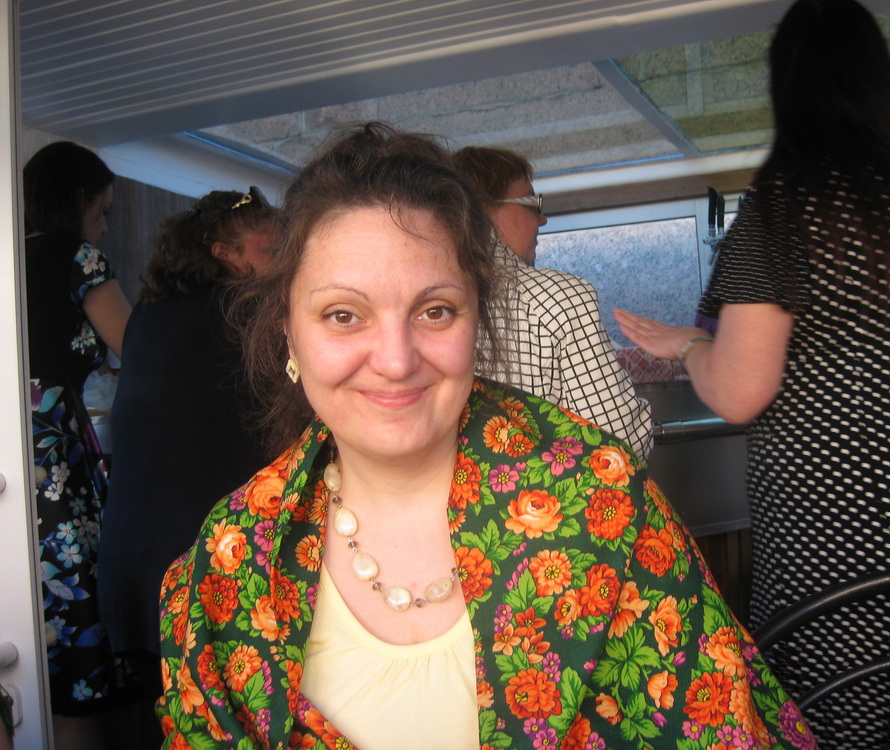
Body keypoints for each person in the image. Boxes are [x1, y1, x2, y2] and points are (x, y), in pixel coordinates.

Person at [154, 122, 814, 749]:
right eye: (343, 315)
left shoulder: (606, 504)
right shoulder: (228, 562)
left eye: (435, 310)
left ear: (477, 318)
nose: (396, 360)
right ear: (288, 332)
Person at [614, 0, 890, 745]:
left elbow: (740, 391)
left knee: (842, 719)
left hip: (838, 537)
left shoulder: (786, 209)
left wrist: (688, 347)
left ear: (786, 87)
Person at [98, 188, 277, 748]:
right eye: (271, 249)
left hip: (133, 561)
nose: (284, 260)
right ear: (225, 253)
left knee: (171, 721)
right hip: (196, 563)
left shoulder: (149, 315)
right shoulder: (242, 313)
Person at [23, 140, 132, 749]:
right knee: (72, 607)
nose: (106, 225)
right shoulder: (79, 258)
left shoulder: (11, 256)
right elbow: (138, 348)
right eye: (103, 210)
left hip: (16, 437)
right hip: (52, 451)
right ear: (78, 200)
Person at [453, 146, 653, 460]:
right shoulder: (560, 299)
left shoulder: (428, 300)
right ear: (485, 210)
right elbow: (621, 445)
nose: (542, 219)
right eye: (533, 204)